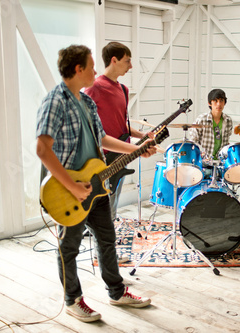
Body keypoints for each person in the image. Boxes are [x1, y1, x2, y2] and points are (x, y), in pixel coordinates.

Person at [36, 45, 155, 322]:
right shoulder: (55, 101)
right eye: (91, 66)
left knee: (107, 239)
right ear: (78, 69)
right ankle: (72, 300)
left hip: (96, 184)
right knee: (69, 247)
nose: (94, 70)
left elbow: (103, 139)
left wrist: (137, 147)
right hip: (70, 190)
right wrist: (73, 186)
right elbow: (43, 149)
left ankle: (116, 292)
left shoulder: (87, 102)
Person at [84, 41, 150, 221]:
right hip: (102, 158)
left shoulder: (123, 89)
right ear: (114, 60)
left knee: (113, 199)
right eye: (127, 61)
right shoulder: (94, 87)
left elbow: (121, 124)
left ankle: (109, 232)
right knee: (102, 201)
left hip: (122, 154)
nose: (131, 66)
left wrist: (141, 135)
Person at [188, 89, 240, 216]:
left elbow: (225, 143)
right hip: (205, 164)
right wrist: (202, 154)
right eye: (215, 101)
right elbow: (193, 142)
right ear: (210, 103)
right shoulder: (201, 119)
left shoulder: (228, 120)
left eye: (221, 101)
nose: (218, 104)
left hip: (220, 163)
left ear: (224, 102)